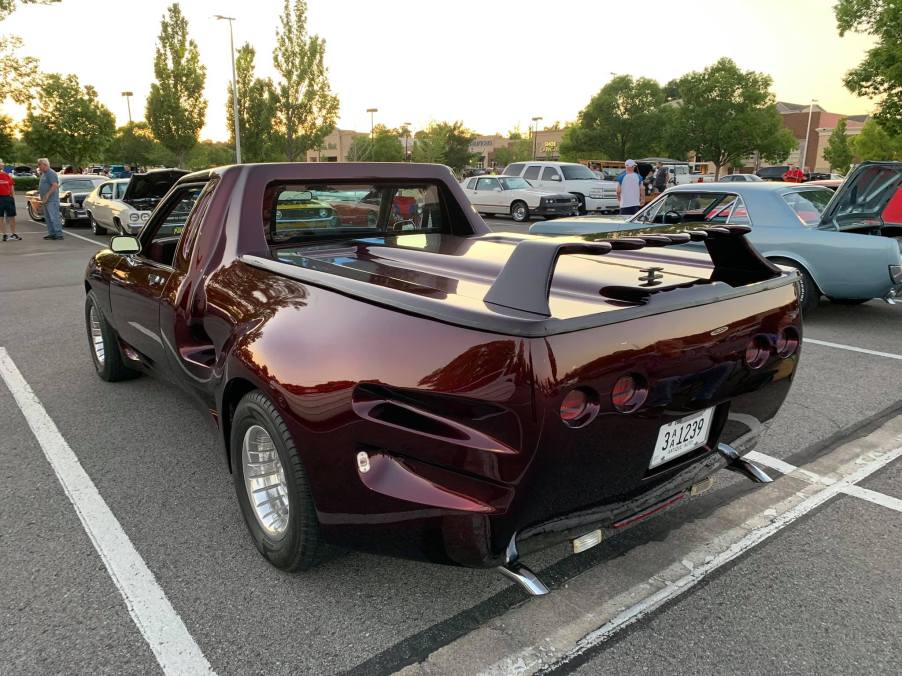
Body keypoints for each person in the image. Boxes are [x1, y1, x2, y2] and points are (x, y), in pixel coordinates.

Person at [37, 158, 62, 240]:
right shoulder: (44, 174)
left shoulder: (51, 173)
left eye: (39, 165)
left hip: (51, 200)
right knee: (47, 218)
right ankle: (52, 233)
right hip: (45, 200)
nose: (38, 167)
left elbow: (54, 185)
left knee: (54, 217)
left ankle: (58, 234)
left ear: (45, 165)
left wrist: (47, 195)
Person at [0, 158, 21, 241]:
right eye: (1, 163)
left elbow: (11, 187)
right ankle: (4, 234)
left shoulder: (7, 175)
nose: (2, 164)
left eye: (2, 163)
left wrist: (12, 197)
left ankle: (13, 234)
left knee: (12, 216)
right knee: (0, 217)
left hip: (8, 198)